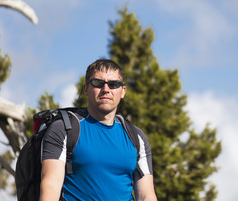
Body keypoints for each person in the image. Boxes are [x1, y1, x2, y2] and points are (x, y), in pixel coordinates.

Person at [40, 59, 157, 201]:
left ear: (123, 91)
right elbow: (50, 186)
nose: (106, 89)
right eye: (98, 83)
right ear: (86, 89)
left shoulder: (136, 137)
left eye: (114, 84)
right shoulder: (64, 129)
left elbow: (146, 195)